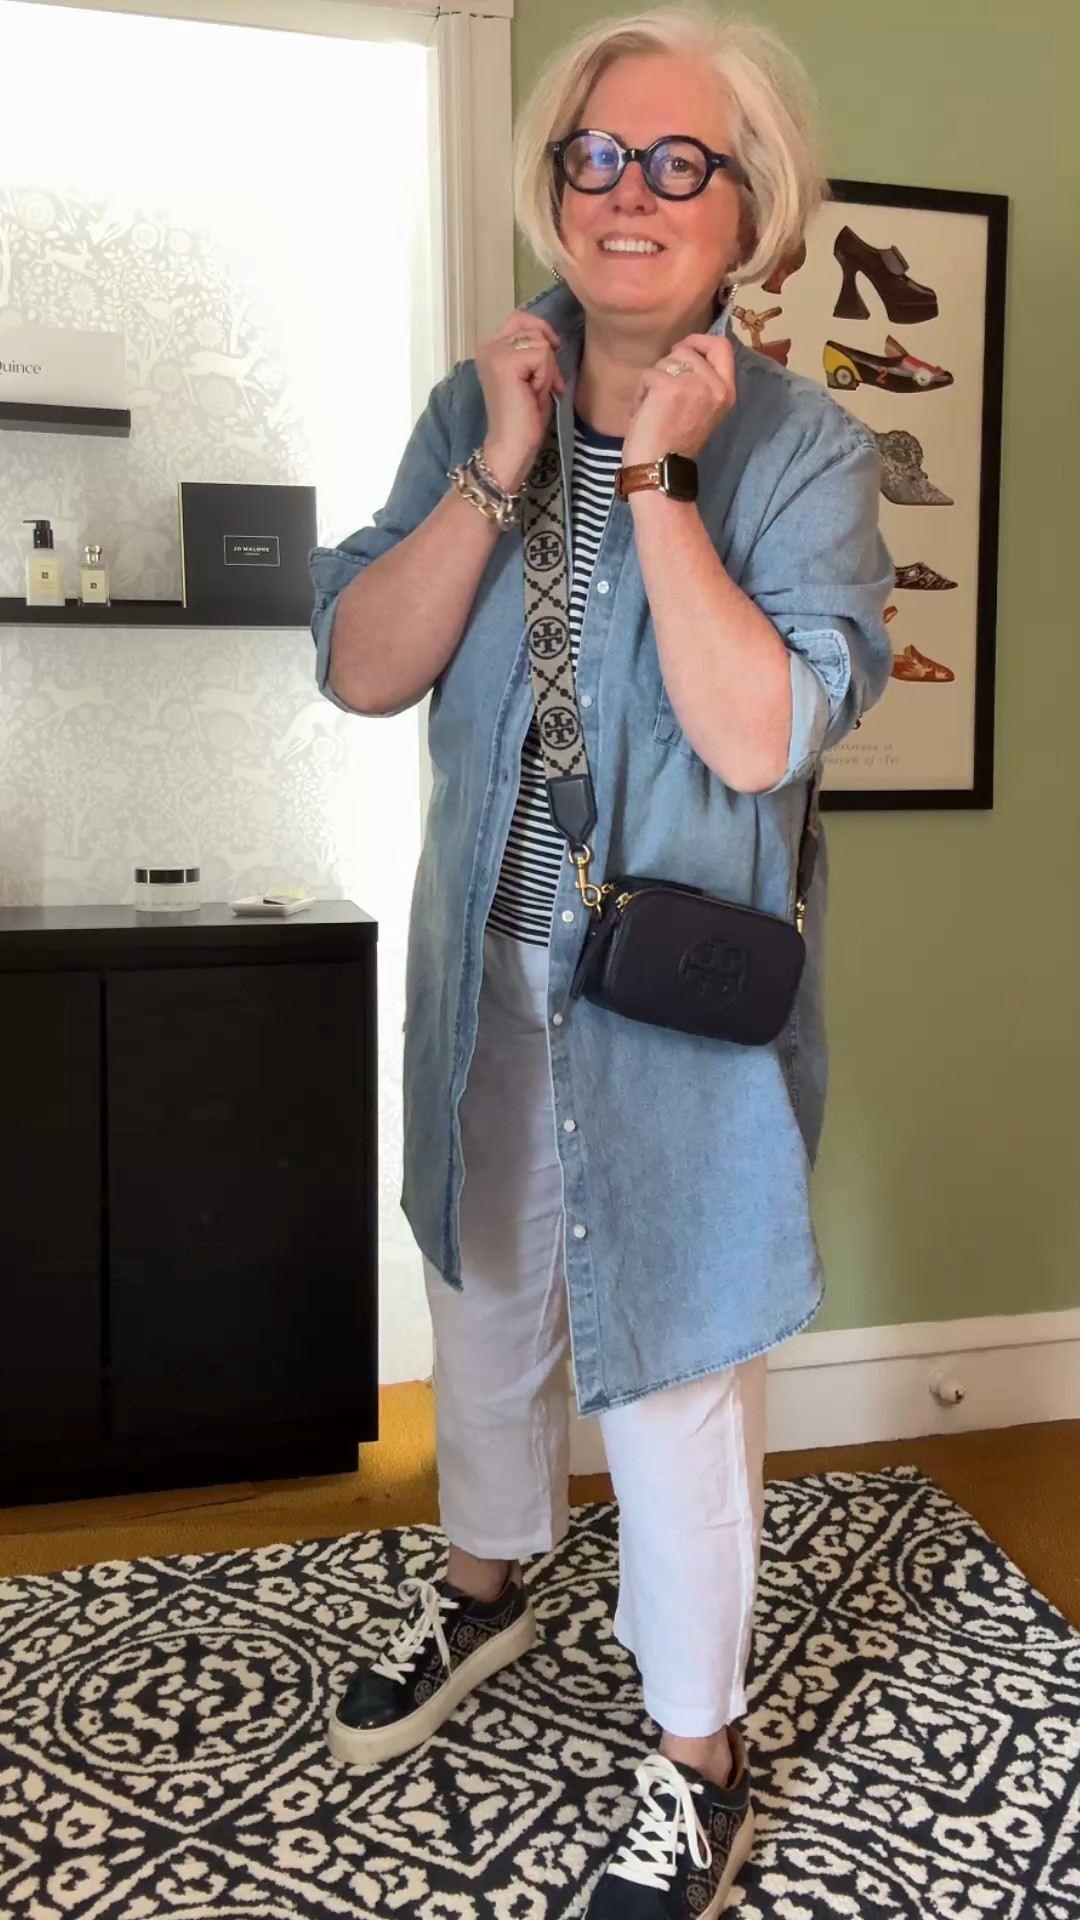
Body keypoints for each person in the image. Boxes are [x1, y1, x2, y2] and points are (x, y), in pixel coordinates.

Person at [310, 6, 892, 1913]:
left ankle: (700, 1751)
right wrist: (502, 456)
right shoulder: (476, 400)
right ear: (555, 181)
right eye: (593, 157)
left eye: (675, 163)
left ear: (750, 205)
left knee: (673, 1378)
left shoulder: (802, 450)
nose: (624, 197)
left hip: (670, 1002)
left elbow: (754, 735)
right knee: (481, 1294)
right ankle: (486, 1580)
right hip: (491, 961)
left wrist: (654, 477)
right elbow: (365, 660)